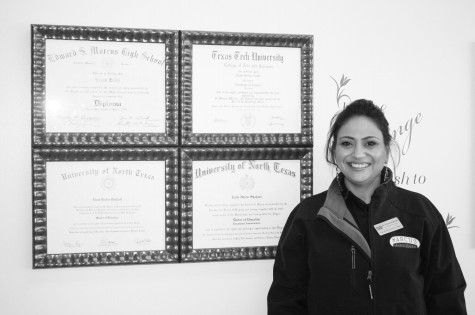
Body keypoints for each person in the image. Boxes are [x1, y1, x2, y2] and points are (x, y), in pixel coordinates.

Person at [267, 99, 467, 314]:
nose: (358, 154)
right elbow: (286, 300)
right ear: (334, 151)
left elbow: (447, 295)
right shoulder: (307, 216)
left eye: (370, 143)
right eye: (347, 143)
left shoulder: (420, 213)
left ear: (387, 149)